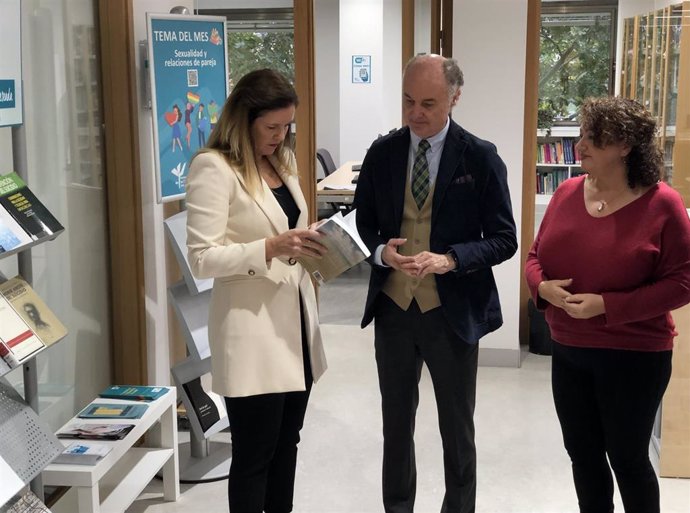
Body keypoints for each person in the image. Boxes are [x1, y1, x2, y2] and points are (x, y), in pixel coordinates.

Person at [353, 54, 517, 513]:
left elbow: (505, 240)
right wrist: (382, 252)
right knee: (395, 425)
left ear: (455, 98)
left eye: (427, 102)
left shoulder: (480, 157)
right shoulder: (382, 154)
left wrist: (450, 259)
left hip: (452, 314)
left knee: (457, 428)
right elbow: (359, 226)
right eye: (407, 101)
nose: (414, 113)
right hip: (393, 310)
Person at [525, 96, 690, 513]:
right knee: (583, 455)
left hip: (634, 356)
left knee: (628, 459)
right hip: (569, 351)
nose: (581, 145)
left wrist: (608, 306)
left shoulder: (662, 205)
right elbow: (534, 257)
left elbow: (683, 283)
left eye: (594, 138)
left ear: (625, 147)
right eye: (582, 134)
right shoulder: (565, 192)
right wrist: (542, 288)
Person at [185, 68, 328, 513]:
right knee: (254, 455)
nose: (280, 135)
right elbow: (201, 257)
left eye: (286, 126)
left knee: (288, 444)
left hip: (295, 326)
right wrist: (267, 247)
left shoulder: (281, 162)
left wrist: (315, 239)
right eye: (271, 127)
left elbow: (292, 227)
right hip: (251, 331)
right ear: (243, 119)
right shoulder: (213, 168)